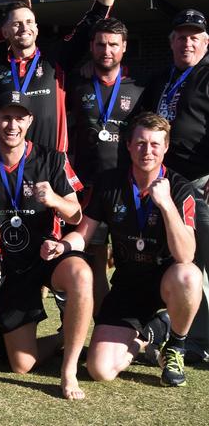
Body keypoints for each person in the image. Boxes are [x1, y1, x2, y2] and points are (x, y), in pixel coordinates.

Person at [42, 112, 201, 387]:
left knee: (189, 275)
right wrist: (62, 245)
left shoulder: (179, 188)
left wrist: (165, 205)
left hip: (166, 283)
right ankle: (154, 330)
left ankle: (176, 345)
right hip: (127, 286)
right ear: (128, 145)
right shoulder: (108, 183)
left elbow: (185, 255)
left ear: (165, 147)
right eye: (140, 143)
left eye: (154, 144)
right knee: (99, 369)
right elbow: (84, 233)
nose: (147, 151)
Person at [0, 91, 90, 400]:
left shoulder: (53, 159)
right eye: (5, 117)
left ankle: (69, 372)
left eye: (19, 118)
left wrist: (54, 199)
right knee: (22, 364)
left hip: (45, 255)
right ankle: (61, 338)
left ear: (30, 121)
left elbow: (76, 212)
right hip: (6, 265)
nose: (12, 125)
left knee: (80, 272)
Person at [0, 0, 125, 153]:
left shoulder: (56, 57)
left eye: (30, 23)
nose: (24, 28)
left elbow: (96, 15)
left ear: (37, 28)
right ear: (5, 32)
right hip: (8, 170)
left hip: (52, 171)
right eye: (16, 24)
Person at [139, 8, 209, 361]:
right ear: (171, 42)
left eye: (194, 37)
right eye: (181, 37)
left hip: (200, 182)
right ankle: (177, 333)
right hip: (163, 183)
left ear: (206, 43)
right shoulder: (161, 77)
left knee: (201, 260)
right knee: (171, 260)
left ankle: (198, 342)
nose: (187, 43)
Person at [66, 17, 143, 314]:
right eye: (100, 44)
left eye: (113, 44)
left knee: (131, 261)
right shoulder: (77, 82)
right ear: (91, 47)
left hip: (128, 187)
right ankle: (103, 323)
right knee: (96, 259)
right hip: (90, 187)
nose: (106, 50)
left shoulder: (140, 87)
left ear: (124, 48)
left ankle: (133, 324)